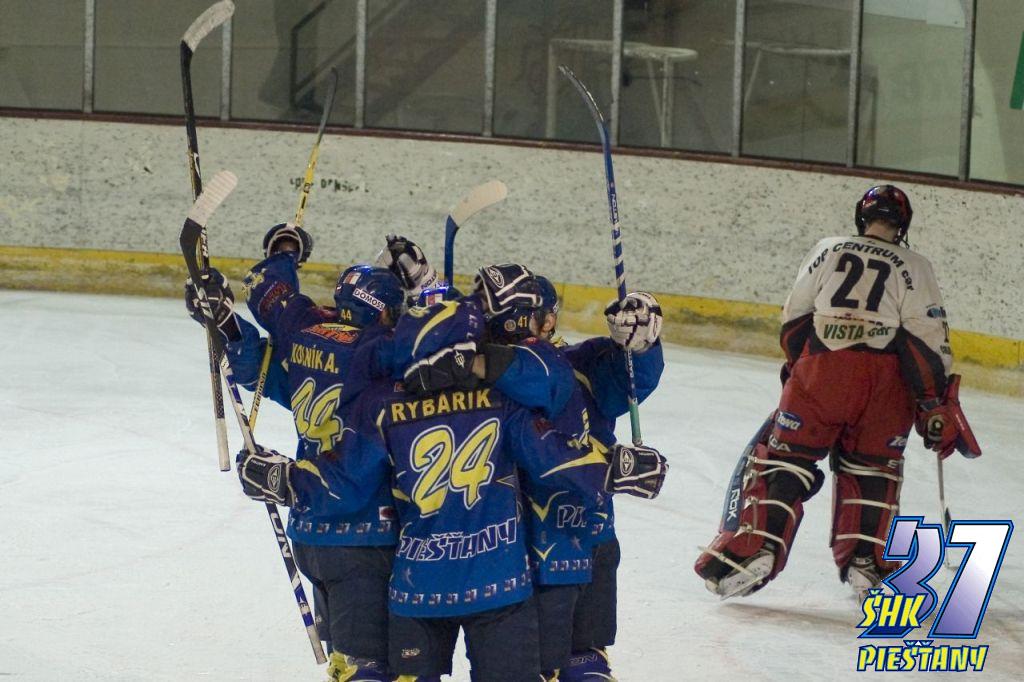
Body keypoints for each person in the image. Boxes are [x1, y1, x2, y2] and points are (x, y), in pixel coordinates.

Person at [234, 296, 668, 681]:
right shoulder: (503, 402)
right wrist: (616, 470)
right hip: (500, 584)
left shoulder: (381, 405)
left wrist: (282, 480)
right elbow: (555, 459)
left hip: (417, 588)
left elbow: (343, 484)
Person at [694, 184, 981, 600]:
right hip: (884, 386)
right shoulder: (916, 265)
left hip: (821, 371)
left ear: (861, 217)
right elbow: (928, 340)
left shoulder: (828, 248)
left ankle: (757, 551)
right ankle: (866, 563)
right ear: (903, 225)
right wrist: (932, 402)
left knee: (785, 459)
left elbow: (795, 317)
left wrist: (800, 368)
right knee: (873, 468)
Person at [406, 264, 666, 680]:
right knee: (557, 664)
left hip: (561, 542)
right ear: (541, 319)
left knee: (580, 661)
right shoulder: (517, 369)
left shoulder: (572, 363)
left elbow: (631, 380)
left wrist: (642, 346)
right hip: (540, 548)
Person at [186, 223, 405, 682]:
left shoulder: (308, 338)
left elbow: (263, 366)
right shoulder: (378, 355)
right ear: (383, 312)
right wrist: (426, 286)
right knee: (372, 669)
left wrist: (226, 320)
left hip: (310, 533)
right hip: (364, 536)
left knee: (347, 662)